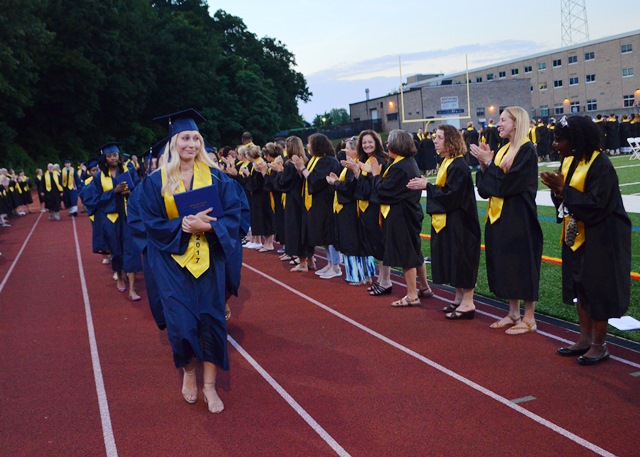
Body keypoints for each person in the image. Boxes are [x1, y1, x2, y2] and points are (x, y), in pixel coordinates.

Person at [139, 109, 243, 413]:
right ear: (173, 143)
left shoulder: (218, 180)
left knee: (211, 324)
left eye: (196, 138)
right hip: (173, 264)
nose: (192, 144)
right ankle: (188, 373)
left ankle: (209, 387)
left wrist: (209, 226)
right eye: (185, 138)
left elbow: (235, 218)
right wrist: (182, 226)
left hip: (209, 263)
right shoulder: (155, 182)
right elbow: (149, 221)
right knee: (182, 326)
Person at [541, 115, 631, 365]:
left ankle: (600, 345)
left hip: (601, 237)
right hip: (576, 234)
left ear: (577, 140)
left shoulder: (600, 164)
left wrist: (563, 189)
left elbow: (598, 205)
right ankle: (584, 338)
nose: (555, 145)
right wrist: (557, 191)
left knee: (597, 290)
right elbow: (567, 200)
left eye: (560, 140)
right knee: (580, 287)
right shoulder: (570, 161)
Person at [470, 106, 543, 335]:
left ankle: (529, 318)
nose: (498, 124)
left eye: (503, 120)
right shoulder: (502, 151)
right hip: (499, 217)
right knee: (508, 264)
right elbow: (485, 190)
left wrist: (489, 164)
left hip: (519, 217)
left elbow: (508, 185)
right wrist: (484, 165)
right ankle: (513, 313)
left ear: (516, 123)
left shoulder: (526, 150)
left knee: (524, 264)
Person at [408, 125, 480, 319]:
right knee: (453, 259)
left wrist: (427, 186)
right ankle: (458, 298)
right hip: (450, 221)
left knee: (462, 260)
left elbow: (451, 195)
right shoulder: (448, 162)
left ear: (450, 140)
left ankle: (468, 303)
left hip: (462, 223)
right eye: (435, 137)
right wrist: (428, 185)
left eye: (439, 137)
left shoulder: (459, 165)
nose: (435, 140)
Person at [367, 129, 432, 307]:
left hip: (402, 216)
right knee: (415, 253)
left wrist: (375, 175)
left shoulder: (400, 167)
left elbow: (383, 192)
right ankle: (424, 288)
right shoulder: (406, 162)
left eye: (389, 141)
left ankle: (412, 295)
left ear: (397, 144)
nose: (387, 145)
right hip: (409, 213)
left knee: (406, 256)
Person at [326, 137, 376, 285]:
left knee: (352, 243)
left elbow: (349, 189)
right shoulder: (351, 166)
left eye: (348, 148)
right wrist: (338, 181)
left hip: (351, 210)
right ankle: (366, 275)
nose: (345, 151)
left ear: (355, 150)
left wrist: (335, 183)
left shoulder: (358, 166)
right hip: (351, 210)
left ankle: (357, 275)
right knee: (359, 242)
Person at [290, 133, 341, 273]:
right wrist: (300, 169)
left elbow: (316, 181)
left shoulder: (328, 161)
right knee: (323, 236)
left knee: (329, 235)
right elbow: (308, 180)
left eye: (309, 143)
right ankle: (330, 263)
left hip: (325, 202)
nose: (307, 146)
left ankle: (336, 266)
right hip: (316, 203)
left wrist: (303, 168)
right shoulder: (316, 160)